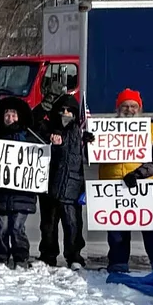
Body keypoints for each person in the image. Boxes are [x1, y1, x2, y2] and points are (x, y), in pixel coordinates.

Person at [100, 88, 153, 274]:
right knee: (117, 233)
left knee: (152, 230)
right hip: (113, 187)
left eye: (133, 106)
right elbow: (91, 156)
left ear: (140, 108)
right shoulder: (105, 131)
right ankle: (117, 268)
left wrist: (139, 174)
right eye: (125, 106)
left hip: (143, 186)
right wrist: (89, 142)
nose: (129, 109)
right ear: (117, 108)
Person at [0, 96, 41, 268]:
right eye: (7, 115)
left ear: (20, 116)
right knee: (0, 227)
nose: (10, 119)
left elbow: (42, 158)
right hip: (0, 194)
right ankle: (1, 257)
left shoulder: (29, 136)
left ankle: (20, 257)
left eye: (14, 115)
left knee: (17, 227)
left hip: (23, 194)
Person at [40, 92, 93, 269]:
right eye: (61, 109)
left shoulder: (81, 132)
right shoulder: (47, 129)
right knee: (48, 226)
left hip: (73, 185)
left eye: (69, 110)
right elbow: (32, 123)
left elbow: (95, 156)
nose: (65, 113)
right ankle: (48, 256)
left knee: (73, 224)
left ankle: (74, 257)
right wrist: (48, 136)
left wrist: (92, 142)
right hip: (49, 185)